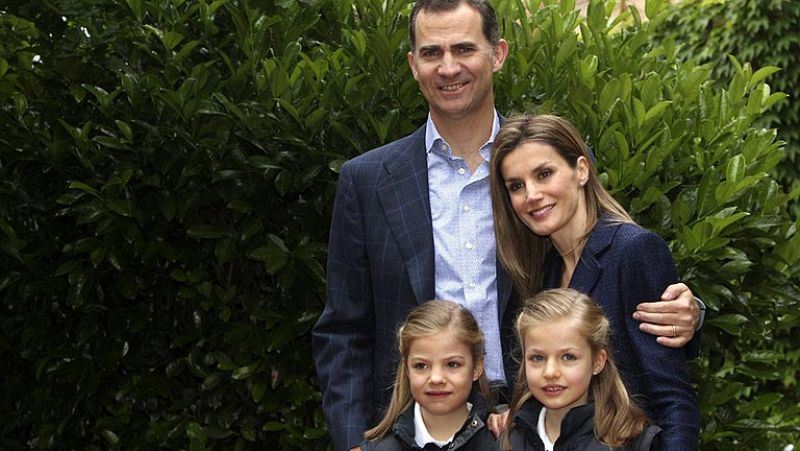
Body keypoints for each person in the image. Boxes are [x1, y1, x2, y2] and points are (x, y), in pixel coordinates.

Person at [313, 2, 701, 450]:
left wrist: (689, 313)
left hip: (539, 423)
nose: (449, 67)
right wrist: (352, 442)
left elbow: (608, 262)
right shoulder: (367, 180)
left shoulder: (536, 163)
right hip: (415, 429)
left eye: (463, 48)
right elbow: (343, 329)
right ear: (413, 66)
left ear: (497, 54)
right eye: (431, 52)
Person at [490, 114, 700, 449]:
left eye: (544, 174)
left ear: (582, 171)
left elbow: (672, 397)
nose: (532, 194)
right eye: (516, 185)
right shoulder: (540, 268)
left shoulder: (633, 250)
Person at [504, 288, 662, 451]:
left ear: (597, 362)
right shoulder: (508, 439)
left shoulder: (631, 443)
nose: (550, 372)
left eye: (568, 357)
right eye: (537, 358)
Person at [360, 300, 500, 450]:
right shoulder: (378, 448)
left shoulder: (503, 442)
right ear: (407, 369)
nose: (436, 378)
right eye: (421, 366)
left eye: (452, 364)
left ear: (477, 367)